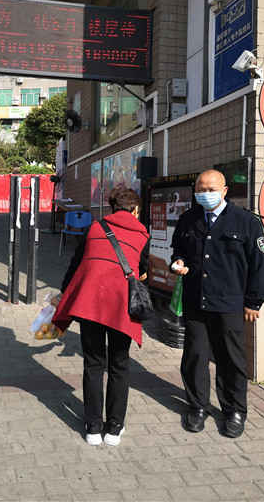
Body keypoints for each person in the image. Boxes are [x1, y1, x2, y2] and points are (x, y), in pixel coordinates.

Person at [170, 169, 264, 438]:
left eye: (211, 189)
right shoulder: (188, 220)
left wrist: (254, 302)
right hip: (195, 301)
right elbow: (179, 250)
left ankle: (234, 410)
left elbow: (259, 264)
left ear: (225, 191)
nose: (206, 194)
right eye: (200, 190)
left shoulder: (246, 222)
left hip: (230, 303)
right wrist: (178, 262)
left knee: (230, 359)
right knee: (195, 355)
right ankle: (198, 406)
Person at [51, 187, 150, 446]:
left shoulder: (95, 228)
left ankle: (93, 427)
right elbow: (142, 269)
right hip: (121, 308)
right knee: (119, 366)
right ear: (135, 210)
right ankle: (114, 428)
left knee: (93, 365)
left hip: (90, 304)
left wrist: (63, 293)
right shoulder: (142, 234)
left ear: (113, 208)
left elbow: (76, 264)